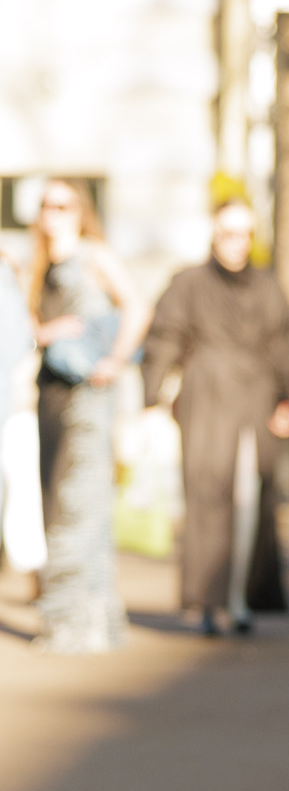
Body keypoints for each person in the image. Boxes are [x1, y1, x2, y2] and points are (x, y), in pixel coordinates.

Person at [141, 198, 289, 635]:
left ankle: (239, 598)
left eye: (244, 234)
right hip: (208, 398)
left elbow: (288, 343)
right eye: (228, 234)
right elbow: (164, 335)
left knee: (250, 498)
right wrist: (152, 394)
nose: (236, 243)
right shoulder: (189, 283)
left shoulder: (267, 287)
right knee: (207, 496)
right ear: (214, 235)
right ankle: (208, 600)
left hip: (255, 399)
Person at [28, 178, 148, 651]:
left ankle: (86, 622)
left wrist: (115, 360)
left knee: (83, 502)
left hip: (88, 398)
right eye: (46, 205)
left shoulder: (95, 255)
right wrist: (47, 332)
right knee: (54, 502)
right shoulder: (37, 265)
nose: (52, 214)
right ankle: (64, 618)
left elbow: (138, 307)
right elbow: (26, 328)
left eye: (63, 205)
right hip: (50, 393)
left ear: (81, 211)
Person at [0, 250, 47, 581]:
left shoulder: (19, 292)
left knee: (26, 494)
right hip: (17, 406)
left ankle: (36, 575)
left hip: (20, 407)